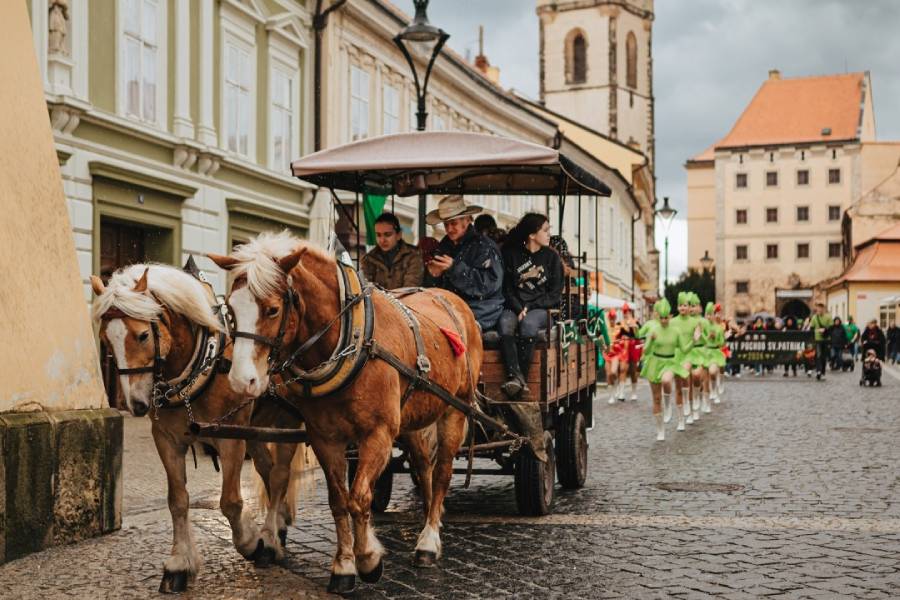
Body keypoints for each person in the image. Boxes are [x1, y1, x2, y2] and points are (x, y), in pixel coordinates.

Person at [497, 213, 563, 397]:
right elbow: (507, 289)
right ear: (532, 235)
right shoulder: (511, 255)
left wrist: (530, 307)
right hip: (514, 306)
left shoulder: (552, 257)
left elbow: (555, 294)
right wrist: (519, 308)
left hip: (541, 309)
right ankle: (515, 376)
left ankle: (521, 380)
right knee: (505, 324)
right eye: (545, 230)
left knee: (528, 325)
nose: (549, 234)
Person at [423, 195, 504, 332]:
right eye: (446, 224)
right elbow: (433, 287)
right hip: (450, 306)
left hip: (483, 310)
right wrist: (432, 275)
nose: (449, 229)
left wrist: (454, 268)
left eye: (453, 223)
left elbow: (488, 286)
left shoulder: (485, 246)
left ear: (467, 220)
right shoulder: (445, 245)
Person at [640, 298, 693, 440]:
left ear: (670, 316)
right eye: (661, 318)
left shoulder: (676, 331)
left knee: (666, 380)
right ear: (658, 316)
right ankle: (660, 430)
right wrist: (650, 340)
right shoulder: (653, 329)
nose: (664, 320)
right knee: (656, 399)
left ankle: (669, 405)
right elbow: (646, 351)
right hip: (654, 363)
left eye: (666, 317)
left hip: (670, 362)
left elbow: (684, 349)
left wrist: (694, 340)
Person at [360, 212, 423, 289]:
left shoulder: (413, 255)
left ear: (399, 235)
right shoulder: (368, 259)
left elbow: (410, 288)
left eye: (387, 235)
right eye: (378, 235)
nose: (382, 240)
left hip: (406, 297)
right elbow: (366, 289)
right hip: (377, 297)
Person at [808, 303, 833, 380]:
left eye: (821, 309)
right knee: (818, 355)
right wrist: (816, 331)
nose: (819, 310)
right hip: (817, 339)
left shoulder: (828, 317)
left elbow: (832, 327)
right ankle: (819, 371)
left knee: (824, 356)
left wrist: (825, 330)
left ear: (823, 309)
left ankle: (823, 371)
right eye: (818, 309)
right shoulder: (814, 317)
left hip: (826, 339)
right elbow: (811, 328)